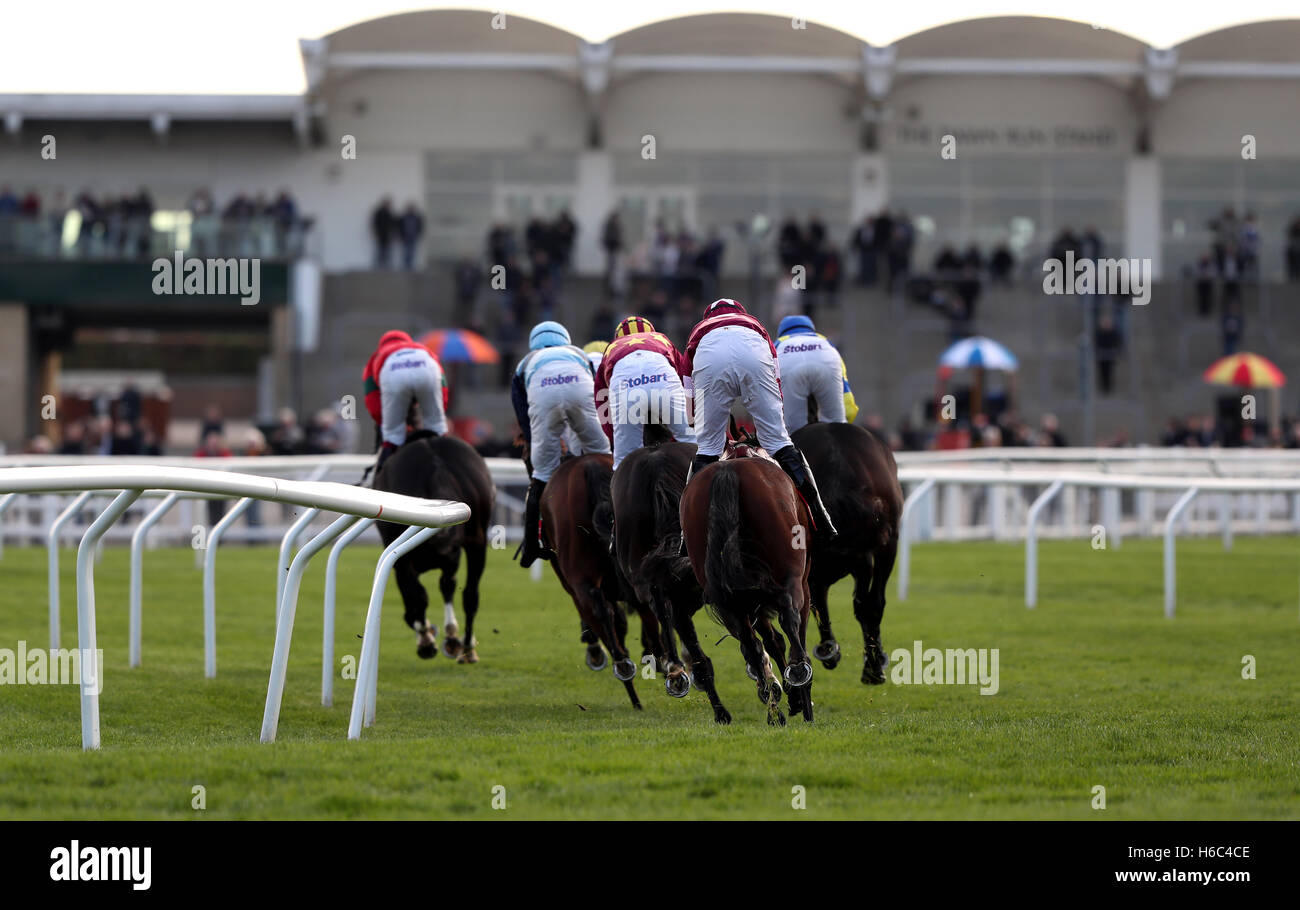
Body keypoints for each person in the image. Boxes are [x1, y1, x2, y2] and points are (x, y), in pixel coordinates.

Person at [683, 299, 838, 540]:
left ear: (708, 316)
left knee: (708, 449)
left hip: (709, 357)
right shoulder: (753, 323)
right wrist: (774, 416)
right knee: (778, 442)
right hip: (753, 353)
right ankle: (820, 514)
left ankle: (687, 532)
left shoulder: (699, 330)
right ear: (739, 312)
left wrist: (695, 421)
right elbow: (775, 374)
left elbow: (688, 382)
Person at [511, 321, 610, 567]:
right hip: (581, 391)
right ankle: (618, 530)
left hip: (544, 398)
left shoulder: (525, 363)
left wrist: (537, 446)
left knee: (542, 476)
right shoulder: (577, 353)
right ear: (564, 338)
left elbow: (522, 412)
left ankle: (530, 546)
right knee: (605, 458)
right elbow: (599, 393)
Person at [595, 316, 695, 469]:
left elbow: (601, 400)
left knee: (624, 462)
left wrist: (616, 441)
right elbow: (685, 379)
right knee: (693, 445)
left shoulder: (612, 347)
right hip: (663, 381)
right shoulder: (661, 338)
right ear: (651, 332)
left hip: (626, 388)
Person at [362, 330, 449, 477]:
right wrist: (438, 413)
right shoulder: (421, 348)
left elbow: (373, 401)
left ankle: (379, 475)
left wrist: (387, 422)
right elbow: (442, 385)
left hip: (393, 372)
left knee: (392, 435)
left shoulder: (376, 356)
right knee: (437, 427)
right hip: (426, 367)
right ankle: (449, 464)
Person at [774, 314, 859, 433]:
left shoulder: (777, 344)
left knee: (793, 434)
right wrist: (845, 417)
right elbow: (845, 395)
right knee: (838, 429)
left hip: (787, 362)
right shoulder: (826, 342)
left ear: (782, 333)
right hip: (825, 357)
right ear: (811, 329)